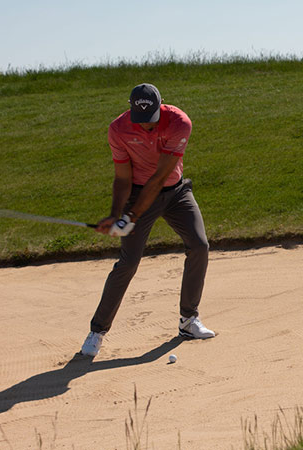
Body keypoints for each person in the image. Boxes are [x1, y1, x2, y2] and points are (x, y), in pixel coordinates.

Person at [80, 83, 214, 357]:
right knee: (128, 262)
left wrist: (131, 217)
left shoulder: (179, 122)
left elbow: (161, 177)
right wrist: (116, 215)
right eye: (141, 122)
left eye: (152, 121)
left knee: (199, 246)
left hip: (175, 192)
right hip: (139, 192)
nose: (148, 128)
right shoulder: (118, 129)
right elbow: (122, 178)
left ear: (161, 104)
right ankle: (97, 331)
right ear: (130, 110)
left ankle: (188, 320)